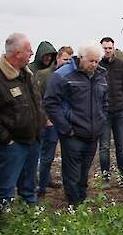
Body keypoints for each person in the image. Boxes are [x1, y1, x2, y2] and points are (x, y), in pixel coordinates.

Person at [0, 33, 46, 217]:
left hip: (32, 141)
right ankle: (5, 231)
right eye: (28, 51)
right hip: (11, 146)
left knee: (29, 188)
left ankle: (30, 225)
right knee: (6, 191)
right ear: (17, 53)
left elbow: (36, 103)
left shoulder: (26, 74)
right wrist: (6, 140)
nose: (32, 53)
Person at [44, 43, 107, 206]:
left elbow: (104, 101)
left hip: (93, 132)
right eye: (91, 61)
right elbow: (50, 102)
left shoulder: (101, 75)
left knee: (85, 170)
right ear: (81, 58)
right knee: (72, 171)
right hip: (73, 132)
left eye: (97, 61)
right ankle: (74, 202)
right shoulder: (63, 75)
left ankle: (82, 198)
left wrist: (101, 120)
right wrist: (65, 127)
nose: (94, 64)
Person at [34, 45, 72, 197]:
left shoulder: (72, 75)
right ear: (58, 58)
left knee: (68, 156)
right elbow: (38, 99)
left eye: (70, 60)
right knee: (47, 157)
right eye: (65, 59)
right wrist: (46, 118)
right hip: (50, 123)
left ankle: (68, 188)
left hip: (66, 122)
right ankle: (41, 188)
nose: (67, 62)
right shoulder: (43, 75)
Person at [98, 37, 123, 187]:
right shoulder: (97, 65)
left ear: (113, 48)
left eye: (110, 48)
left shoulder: (120, 65)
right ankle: (105, 177)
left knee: (121, 146)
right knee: (104, 146)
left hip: (119, 112)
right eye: (105, 48)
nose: (107, 50)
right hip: (104, 113)